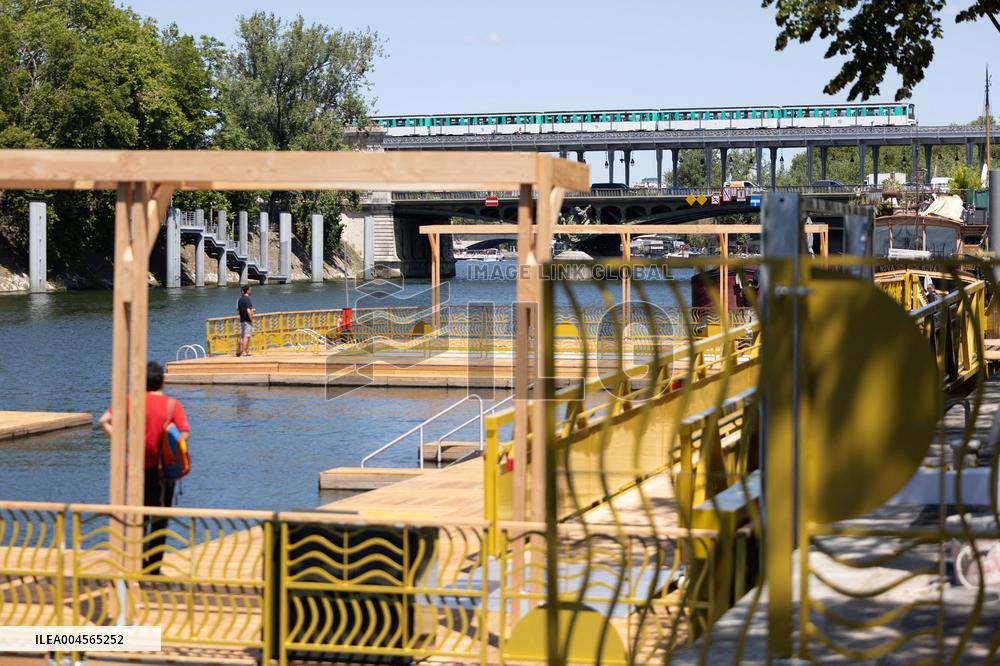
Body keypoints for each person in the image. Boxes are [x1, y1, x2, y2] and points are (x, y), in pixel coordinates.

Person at [98, 362, 190, 575]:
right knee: (159, 519)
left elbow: (104, 420)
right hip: (161, 473)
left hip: (135, 471)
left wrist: (122, 443)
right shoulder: (172, 405)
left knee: (137, 518)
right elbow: (184, 434)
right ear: (162, 381)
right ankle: (153, 568)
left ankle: (136, 563)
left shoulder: (131, 401)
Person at [236, 285, 255, 357]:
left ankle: (241, 352)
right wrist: (251, 319)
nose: (251, 291)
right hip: (247, 320)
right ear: (247, 291)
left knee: (243, 336)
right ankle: (244, 353)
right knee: (246, 336)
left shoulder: (240, 299)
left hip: (242, 320)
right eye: (250, 290)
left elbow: (238, 311)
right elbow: (248, 311)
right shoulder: (248, 299)